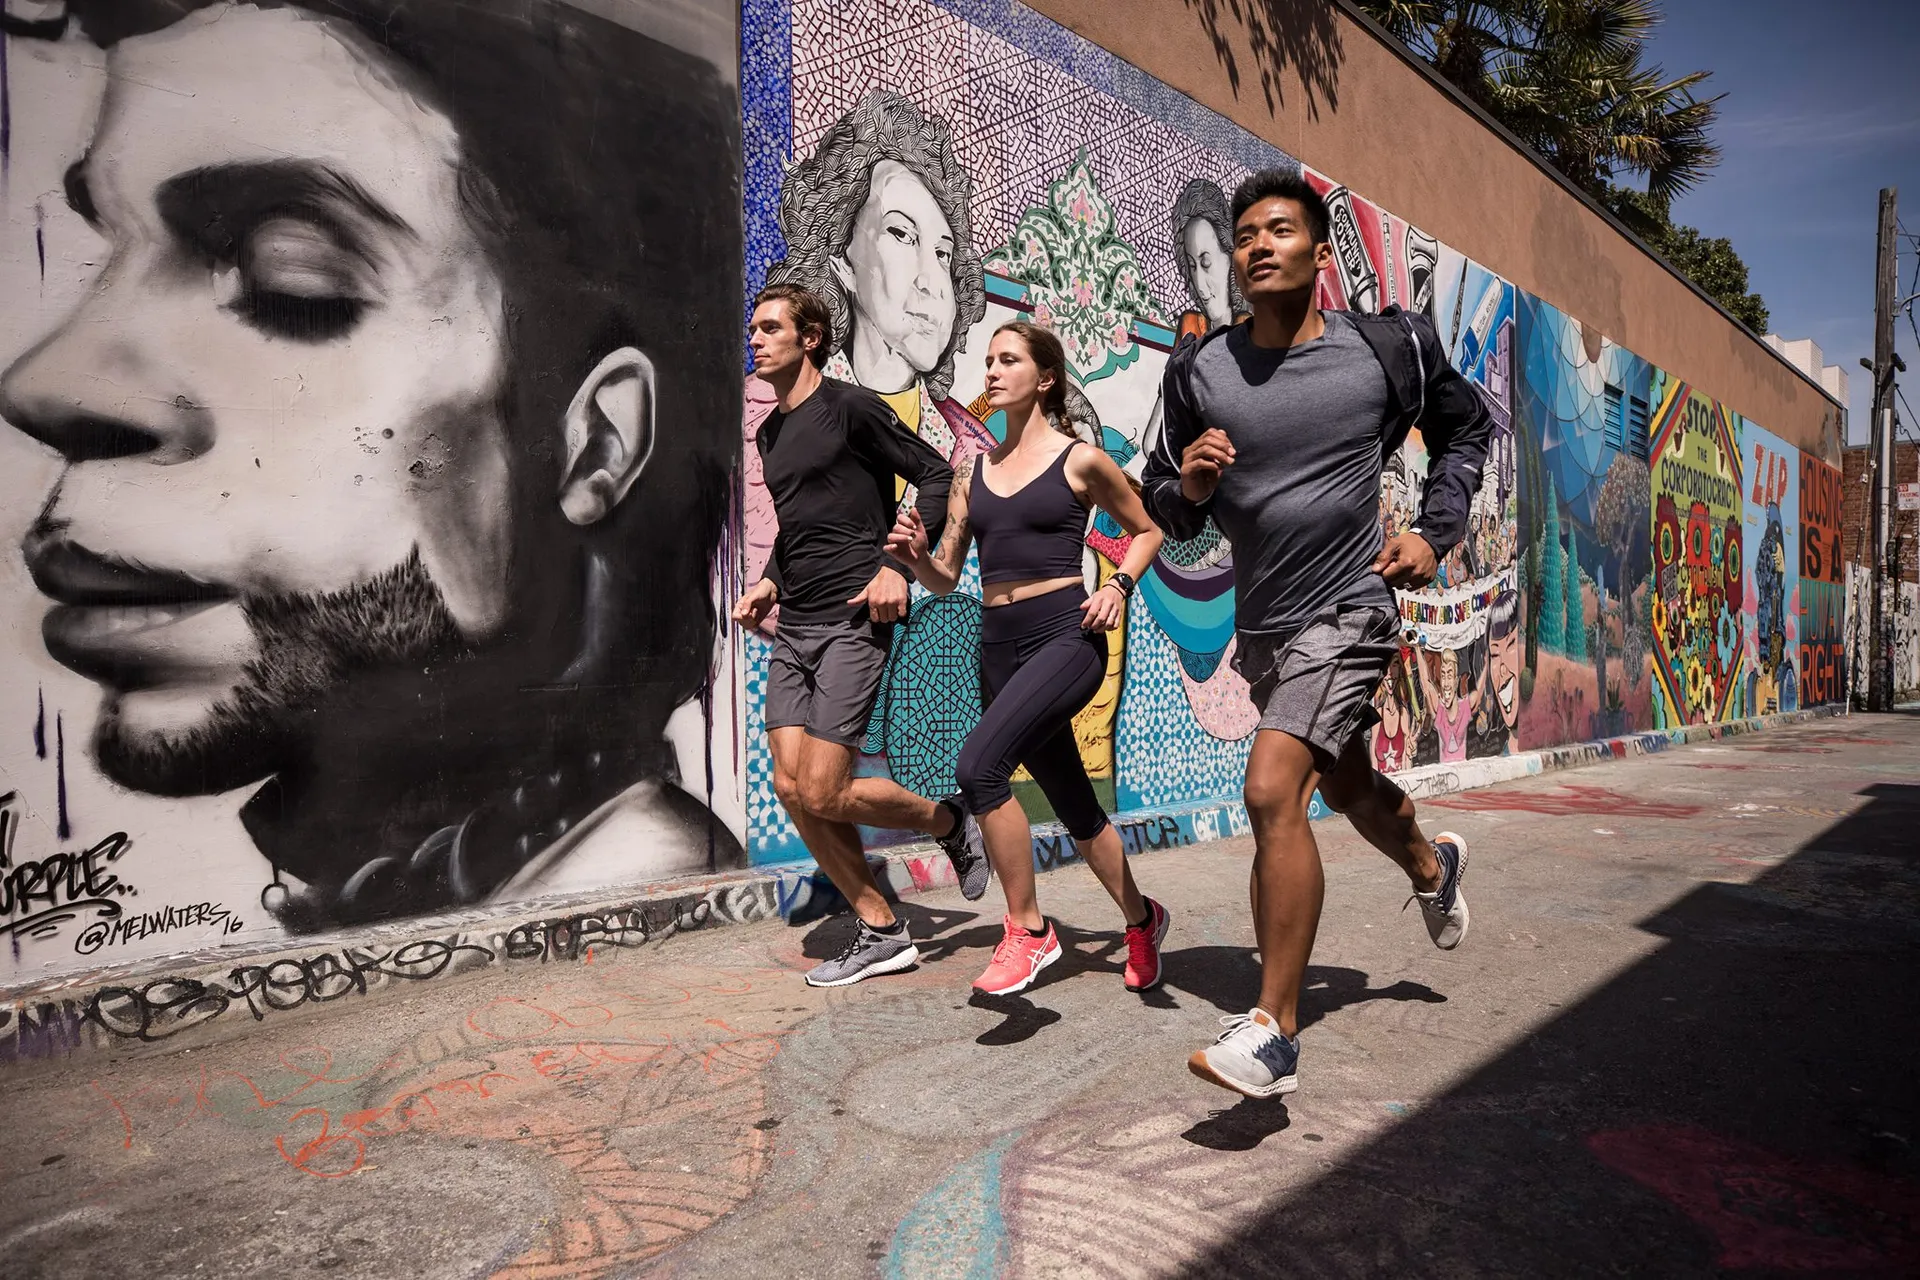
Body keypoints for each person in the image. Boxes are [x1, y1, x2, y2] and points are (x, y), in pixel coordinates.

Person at [2, 0, 745, 931]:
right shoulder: (411, 894)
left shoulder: (637, 900)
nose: (50, 383)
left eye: (291, 279)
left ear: (593, 442)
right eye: (105, 250)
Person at [1144, 168, 1493, 1099]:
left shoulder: (1385, 351)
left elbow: (1468, 431)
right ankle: (1430, 858)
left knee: (1270, 789)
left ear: (1319, 253)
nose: (1259, 245)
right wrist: (1191, 489)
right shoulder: (1200, 373)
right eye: (1246, 234)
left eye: (1279, 231)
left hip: (1351, 608)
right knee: (1337, 786)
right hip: (1264, 630)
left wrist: (1432, 532)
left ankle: (1273, 1031)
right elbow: (1162, 509)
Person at [887, 322, 1169, 996]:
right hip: (997, 647)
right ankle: (1141, 917)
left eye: (1007, 360)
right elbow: (948, 574)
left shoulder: (1080, 460)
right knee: (1075, 805)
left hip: (1065, 639)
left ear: (1044, 378)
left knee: (979, 769)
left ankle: (1029, 930)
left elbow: (1147, 530)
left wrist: (1120, 590)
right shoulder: (970, 472)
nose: (991, 371)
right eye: (987, 361)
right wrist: (915, 558)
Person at [732, 283, 990, 988]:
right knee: (792, 788)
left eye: (769, 327)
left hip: (854, 619)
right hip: (797, 625)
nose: (754, 338)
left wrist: (894, 567)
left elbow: (935, 475)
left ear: (809, 338)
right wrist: (768, 583)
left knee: (823, 789)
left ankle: (947, 821)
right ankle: (882, 927)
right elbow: (798, 526)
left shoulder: (851, 409)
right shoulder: (771, 433)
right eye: (752, 328)